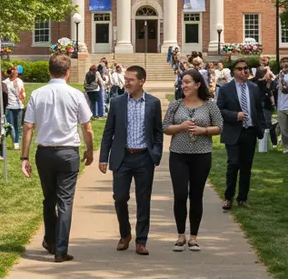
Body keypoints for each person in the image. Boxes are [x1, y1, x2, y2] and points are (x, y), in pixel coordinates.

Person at [20, 54, 94, 263]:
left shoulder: (37, 94)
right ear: (68, 71)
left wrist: (23, 156)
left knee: (49, 198)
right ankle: (60, 248)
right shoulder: (76, 94)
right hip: (68, 152)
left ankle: (51, 240)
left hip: (44, 152)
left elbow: (28, 126)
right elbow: (87, 127)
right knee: (65, 202)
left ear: (49, 71)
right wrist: (89, 150)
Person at [99, 66, 163, 254]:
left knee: (143, 200)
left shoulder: (153, 103)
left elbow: (158, 132)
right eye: (125, 79)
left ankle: (141, 240)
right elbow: (108, 132)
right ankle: (125, 234)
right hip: (122, 157)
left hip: (144, 157)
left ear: (142, 81)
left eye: (131, 79)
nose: (126, 82)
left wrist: (156, 153)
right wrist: (104, 157)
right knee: (120, 198)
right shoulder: (117, 102)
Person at [164, 69, 223, 252]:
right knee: (180, 195)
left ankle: (194, 238)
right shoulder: (176, 105)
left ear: (198, 84)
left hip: (202, 155)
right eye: (182, 82)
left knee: (196, 196)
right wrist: (181, 126)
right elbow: (165, 127)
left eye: (188, 82)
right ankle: (180, 236)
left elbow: (219, 127)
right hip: (178, 155)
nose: (184, 86)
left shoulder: (209, 105)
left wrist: (203, 131)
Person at [216, 58, 268, 210]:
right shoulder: (226, 89)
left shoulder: (254, 88)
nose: (243, 71)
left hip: (249, 132)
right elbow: (219, 110)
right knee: (233, 164)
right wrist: (235, 115)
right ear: (233, 71)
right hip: (233, 132)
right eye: (239, 69)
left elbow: (259, 109)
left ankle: (242, 198)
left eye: (245, 68)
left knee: (246, 167)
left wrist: (262, 127)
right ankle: (228, 197)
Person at [3, 66, 26, 147]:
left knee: (17, 125)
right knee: (10, 126)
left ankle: (16, 143)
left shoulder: (20, 82)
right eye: (14, 72)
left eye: (16, 72)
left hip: (18, 107)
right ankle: (2, 140)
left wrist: (22, 100)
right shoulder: (5, 82)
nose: (15, 74)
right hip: (9, 107)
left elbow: (22, 94)